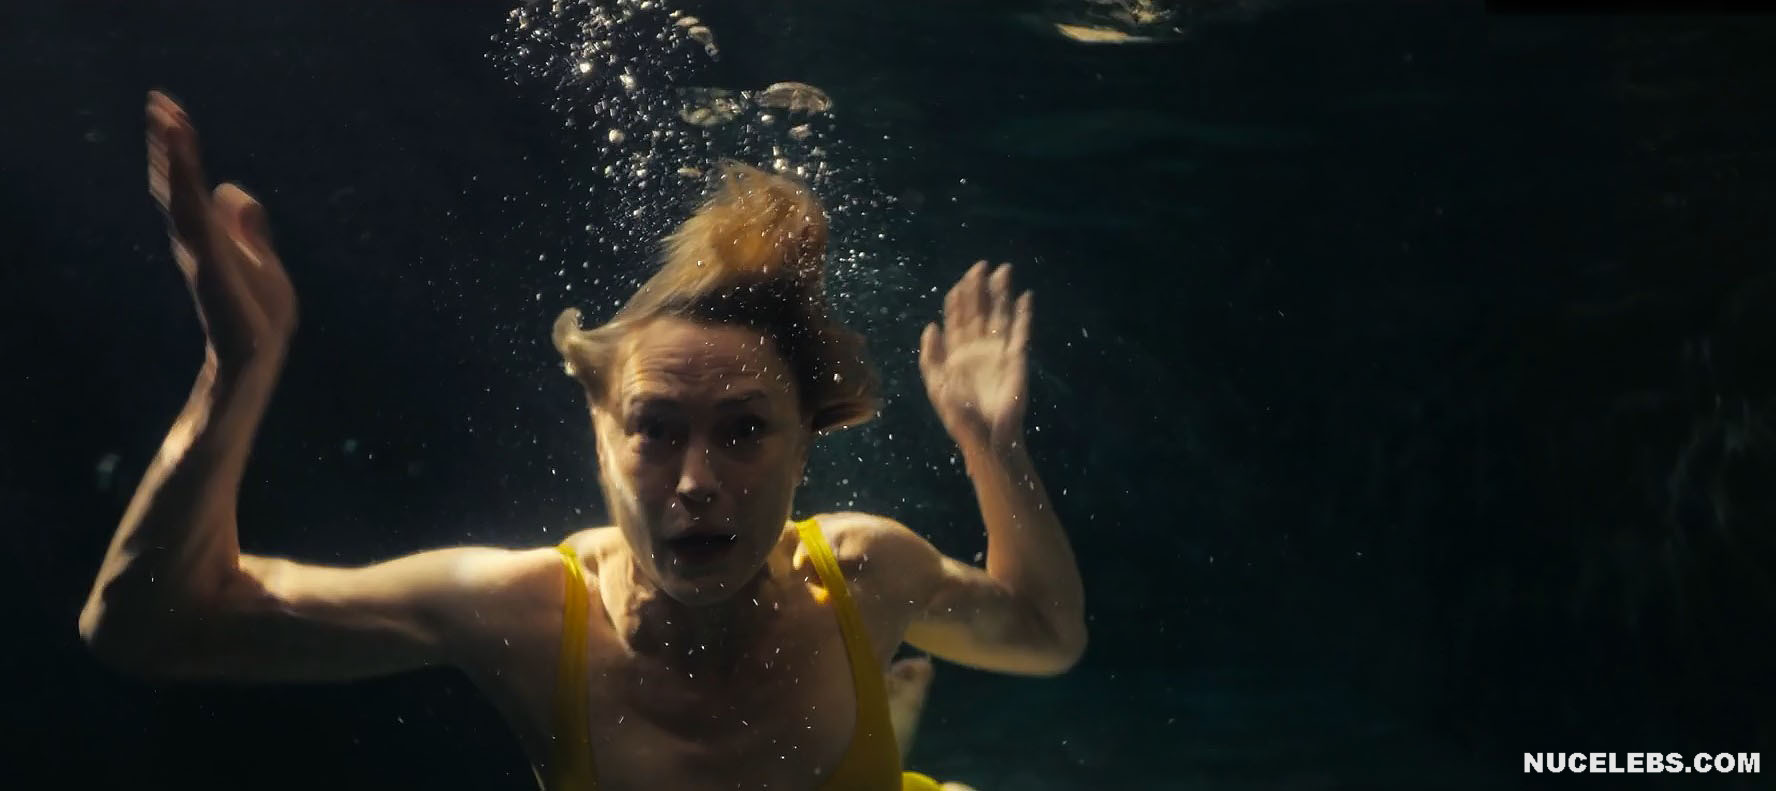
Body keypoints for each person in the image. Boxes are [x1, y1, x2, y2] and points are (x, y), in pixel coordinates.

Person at [80, 90, 1087, 791]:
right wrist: (234, 375)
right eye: (654, 428)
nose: (697, 482)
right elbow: (151, 627)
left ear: (805, 447)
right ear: (599, 438)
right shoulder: (524, 611)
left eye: (744, 431)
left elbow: (1046, 635)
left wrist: (991, 444)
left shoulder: (865, 571)